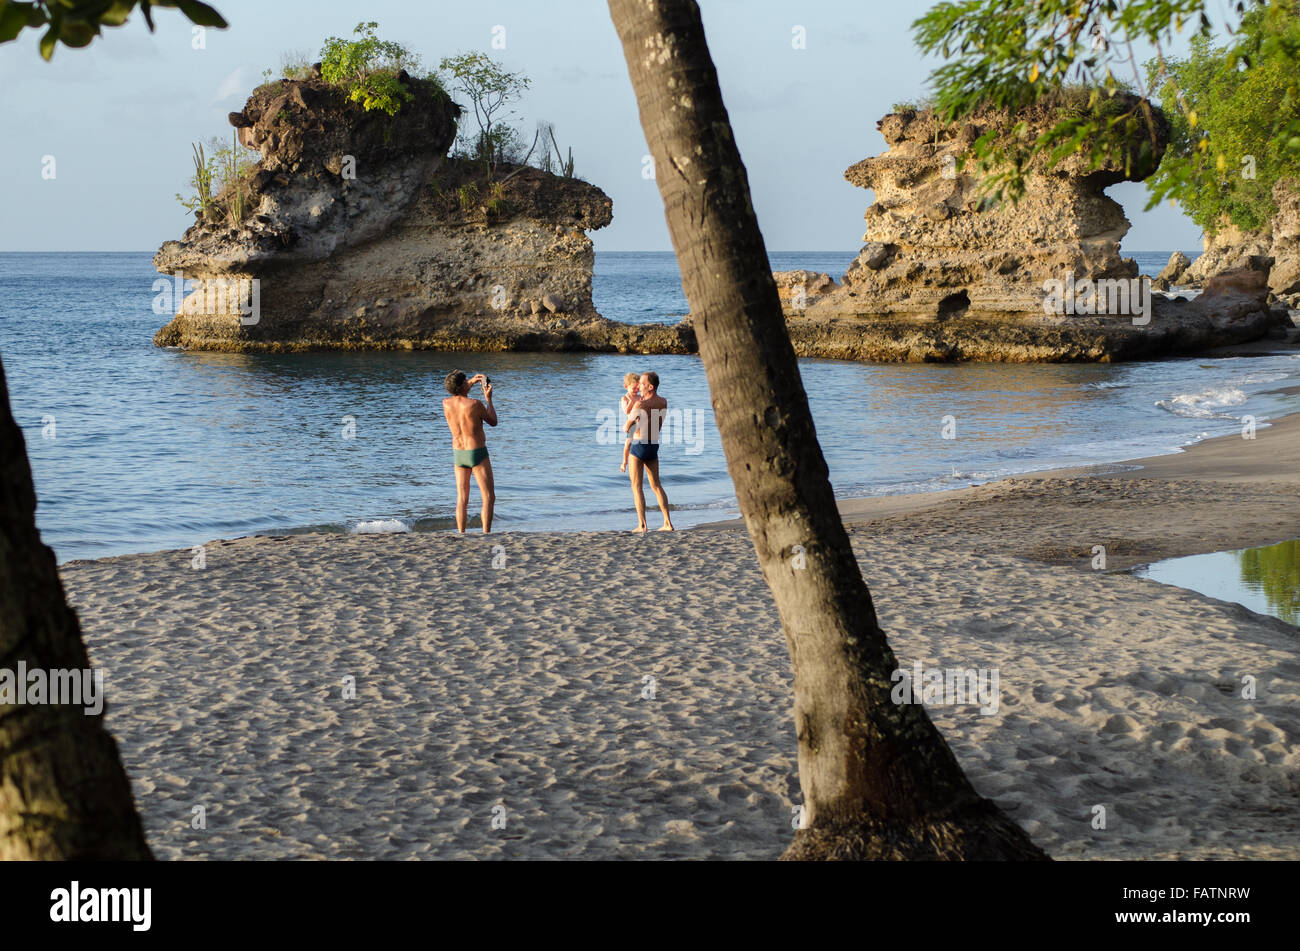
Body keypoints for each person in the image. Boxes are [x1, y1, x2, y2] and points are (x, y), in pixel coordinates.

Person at [442, 370, 497, 533]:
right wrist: (489, 399)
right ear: (462, 385)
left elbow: (459, 396)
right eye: (466, 381)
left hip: (459, 453)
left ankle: (461, 533)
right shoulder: (475, 404)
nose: (469, 381)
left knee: (462, 498)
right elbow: (493, 421)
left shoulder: (446, 403)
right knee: (488, 497)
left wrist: (471, 381)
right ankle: (486, 533)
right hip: (477, 452)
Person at [623, 370, 674, 532]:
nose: (639, 386)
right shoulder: (663, 402)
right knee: (656, 485)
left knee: (636, 486)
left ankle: (642, 525)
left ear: (650, 387)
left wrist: (633, 415)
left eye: (642, 384)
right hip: (653, 444)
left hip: (639, 445)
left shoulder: (640, 404)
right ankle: (667, 523)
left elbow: (626, 427)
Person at [619, 372, 642, 474]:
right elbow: (627, 411)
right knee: (628, 444)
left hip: (641, 423)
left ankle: (640, 459)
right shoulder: (625, 398)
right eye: (634, 388)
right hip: (632, 424)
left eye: (638, 388)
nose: (636, 390)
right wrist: (632, 401)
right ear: (626, 387)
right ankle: (624, 462)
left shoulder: (639, 397)